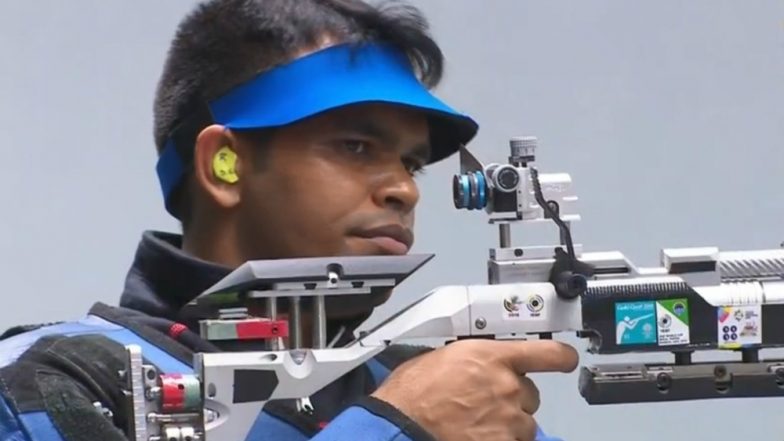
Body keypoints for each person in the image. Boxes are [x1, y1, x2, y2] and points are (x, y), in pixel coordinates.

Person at [0, 1, 578, 440]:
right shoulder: (57, 380)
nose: (403, 188)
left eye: (412, 164)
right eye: (356, 147)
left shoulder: (446, 389)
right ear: (223, 166)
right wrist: (398, 426)